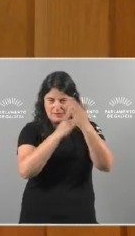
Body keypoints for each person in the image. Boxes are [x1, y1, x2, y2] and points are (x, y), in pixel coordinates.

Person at [16, 71, 115, 224]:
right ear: (43, 102)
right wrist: (59, 133)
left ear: (74, 101)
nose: (57, 106)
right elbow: (26, 170)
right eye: (51, 100)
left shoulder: (89, 128)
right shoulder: (32, 129)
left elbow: (105, 165)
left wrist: (85, 126)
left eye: (63, 100)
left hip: (81, 217)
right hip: (37, 217)